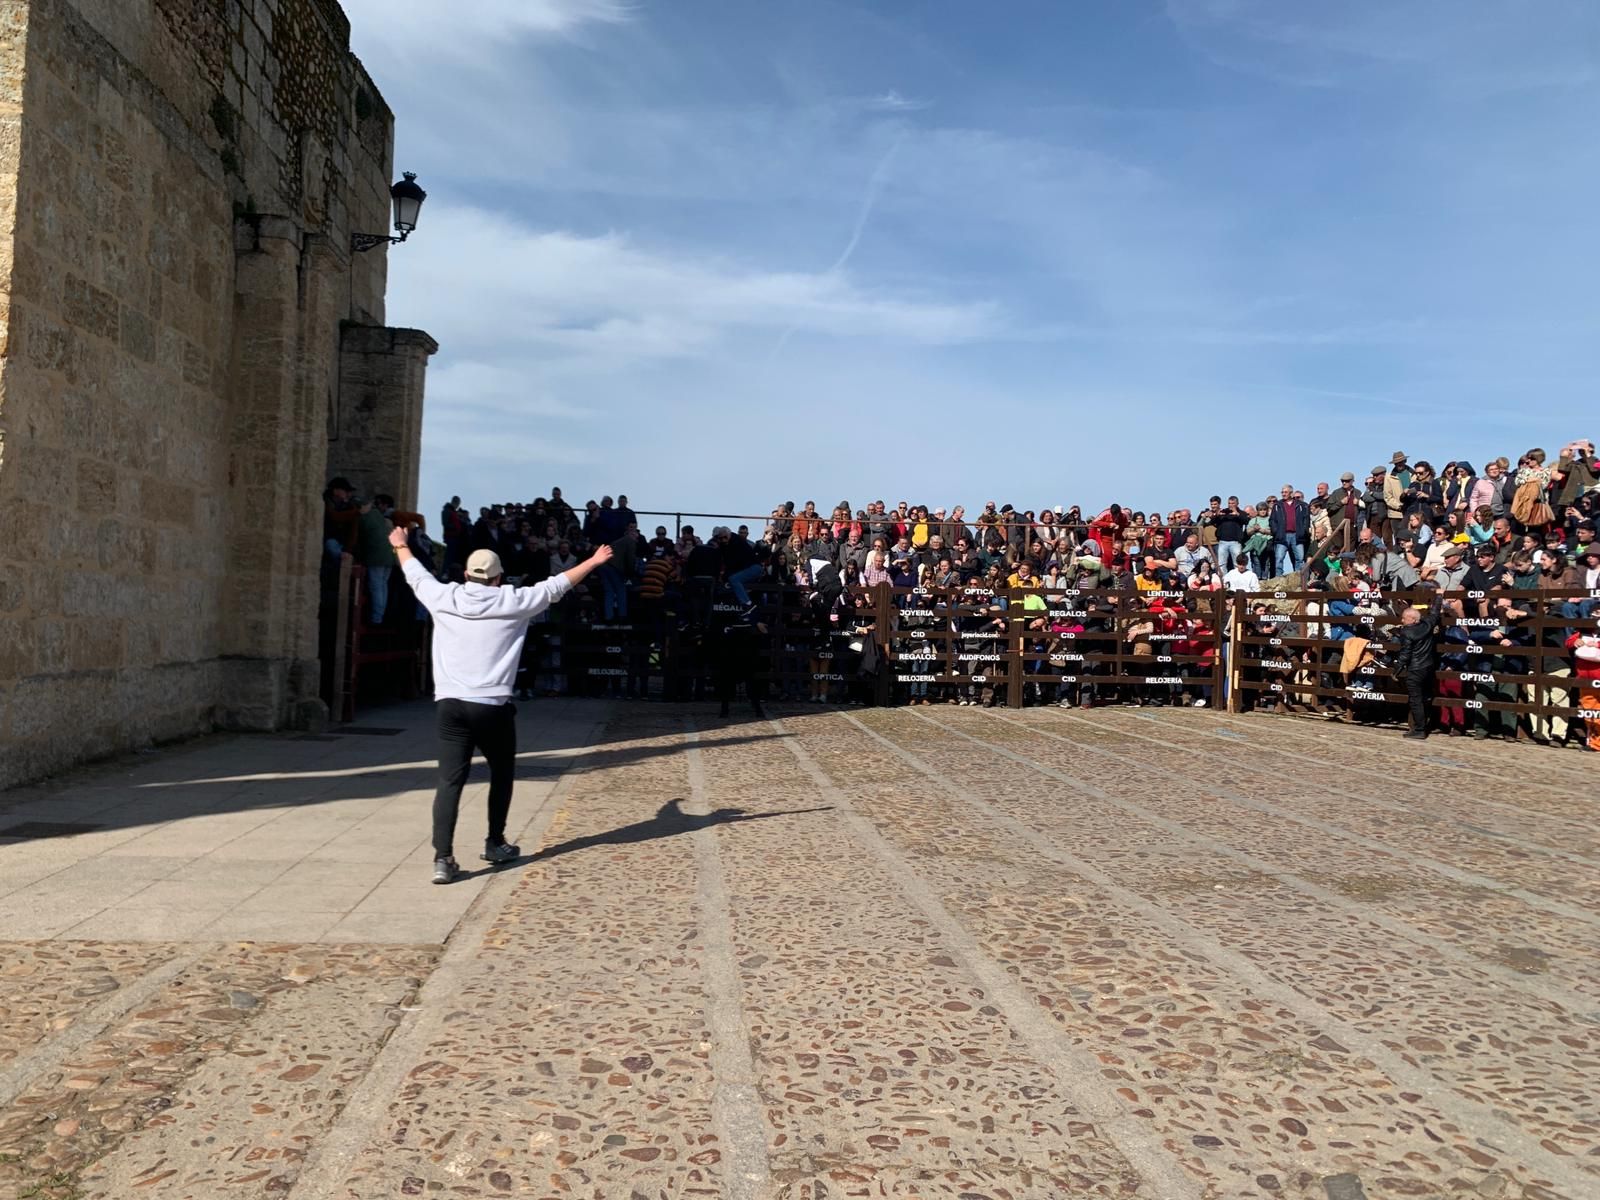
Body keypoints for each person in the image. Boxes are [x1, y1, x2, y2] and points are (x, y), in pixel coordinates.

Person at [391, 524, 613, 883]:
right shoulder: (513, 601)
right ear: (498, 578)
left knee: (449, 780)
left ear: (466, 575)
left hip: (450, 703)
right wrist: (592, 561)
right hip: (491, 704)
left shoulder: (443, 597)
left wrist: (400, 544)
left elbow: (414, 572)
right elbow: (556, 585)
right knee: (502, 772)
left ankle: (443, 859)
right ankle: (495, 842)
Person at [1390, 595, 1442, 740]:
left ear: (1412, 619)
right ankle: (1426, 724)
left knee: (1415, 699)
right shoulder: (1427, 625)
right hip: (1428, 666)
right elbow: (1435, 613)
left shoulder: (1406, 632)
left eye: (1404, 618)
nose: (1402, 621)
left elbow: (1405, 654)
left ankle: (1419, 729)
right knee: (1425, 697)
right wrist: (1439, 596)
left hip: (1415, 667)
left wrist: (1397, 670)